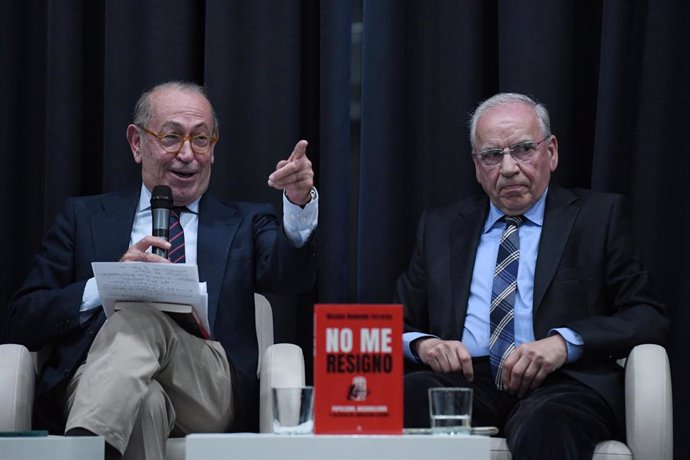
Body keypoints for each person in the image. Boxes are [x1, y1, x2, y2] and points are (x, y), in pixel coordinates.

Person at [7, 81, 318, 459]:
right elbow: (23, 317)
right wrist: (108, 285)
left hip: (206, 389)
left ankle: (83, 447)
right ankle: (99, 432)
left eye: (201, 139)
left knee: (142, 316)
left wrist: (298, 204)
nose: (187, 154)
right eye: (172, 137)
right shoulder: (84, 217)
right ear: (137, 143)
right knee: (145, 403)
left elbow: (289, 278)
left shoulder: (246, 222)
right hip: (97, 381)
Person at [397, 92, 669, 459]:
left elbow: (647, 316)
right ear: (477, 167)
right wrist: (424, 345)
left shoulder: (598, 218)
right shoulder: (441, 227)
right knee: (399, 398)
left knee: (546, 422)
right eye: (492, 156)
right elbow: (395, 322)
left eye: (523, 149)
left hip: (563, 383)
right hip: (464, 382)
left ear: (551, 152)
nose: (508, 168)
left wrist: (564, 343)